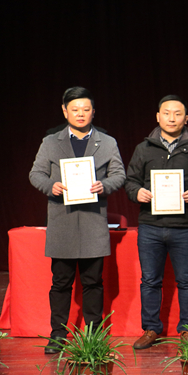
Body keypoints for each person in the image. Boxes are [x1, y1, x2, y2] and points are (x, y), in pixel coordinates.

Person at [29, 87, 125, 354]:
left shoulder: (107, 142)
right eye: (74, 109)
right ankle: (58, 335)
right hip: (63, 221)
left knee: (93, 282)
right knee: (61, 282)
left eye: (85, 109)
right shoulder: (51, 141)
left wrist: (104, 186)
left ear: (93, 112)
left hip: (93, 222)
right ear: (65, 111)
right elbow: (35, 174)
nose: (80, 114)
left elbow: (119, 175)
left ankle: (94, 336)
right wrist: (51, 186)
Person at [124, 95, 188, 349]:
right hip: (150, 226)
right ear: (158, 117)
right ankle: (151, 329)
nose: (172, 118)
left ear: (186, 119)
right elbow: (130, 181)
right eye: (166, 113)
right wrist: (137, 192)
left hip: (184, 227)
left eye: (177, 114)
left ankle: (187, 329)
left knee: (187, 280)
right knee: (149, 281)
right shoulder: (144, 148)